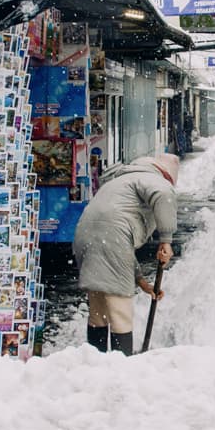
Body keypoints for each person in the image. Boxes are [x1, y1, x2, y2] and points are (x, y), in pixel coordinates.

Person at [72, 152, 179, 356]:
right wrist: (166, 240)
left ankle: (96, 361)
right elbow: (164, 195)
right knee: (119, 309)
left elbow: (118, 247)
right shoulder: (153, 179)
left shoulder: (120, 182)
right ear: (166, 175)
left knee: (98, 308)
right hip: (109, 238)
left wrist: (140, 281)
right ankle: (122, 364)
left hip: (85, 236)